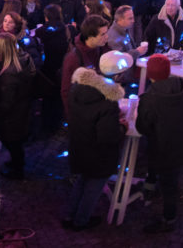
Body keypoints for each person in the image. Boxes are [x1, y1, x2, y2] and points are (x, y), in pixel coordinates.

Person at [63, 50, 132, 230]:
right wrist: (122, 127)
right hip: (98, 155)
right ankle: (80, 221)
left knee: (81, 181)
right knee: (93, 188)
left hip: (79, 146)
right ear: (118, 75)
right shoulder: (108, 100)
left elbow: (87, 116)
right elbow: (108, 136)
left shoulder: (78, 87)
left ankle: (69, 215)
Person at [137, 54, 183, 233]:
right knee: (170, 178)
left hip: (166, 150)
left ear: (150, 74)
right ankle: (151, 184)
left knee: (169, 184)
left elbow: (142, 128)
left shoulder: (149, 98)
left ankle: (169, 219)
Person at [0, 32, 36, 180]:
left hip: (13, 118)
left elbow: (6, 104)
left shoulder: (9, 75)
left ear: (3, 50)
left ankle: (17, 171)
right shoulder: (22, 59)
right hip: (23, 110)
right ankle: (16, 162)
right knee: (15, 144)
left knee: (12, 143)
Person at [60, 15, 110, 111]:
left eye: (106, 33)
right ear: (90, 37)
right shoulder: (74, 58)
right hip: (82, 111)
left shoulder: (101, 49)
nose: (106, 37)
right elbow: (66, 92)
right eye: (102, 34)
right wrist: (72, 116)